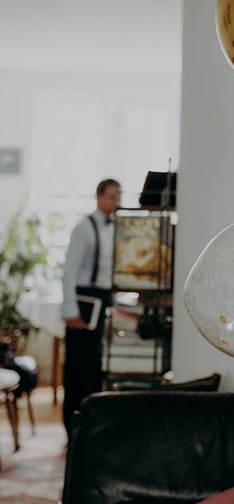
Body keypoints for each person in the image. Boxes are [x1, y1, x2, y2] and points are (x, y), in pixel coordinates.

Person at [61, 178, 121, 437]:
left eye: (119, 195)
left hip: (103, 301)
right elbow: (69, 271)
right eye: (112, 196)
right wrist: (71, 312)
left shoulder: (113, 229)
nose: (117, 201)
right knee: (77, 369)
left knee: (95, 368)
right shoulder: (84, 229)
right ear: (99, 197)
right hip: (83, 303)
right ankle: (72, 427)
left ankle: (90, 428)